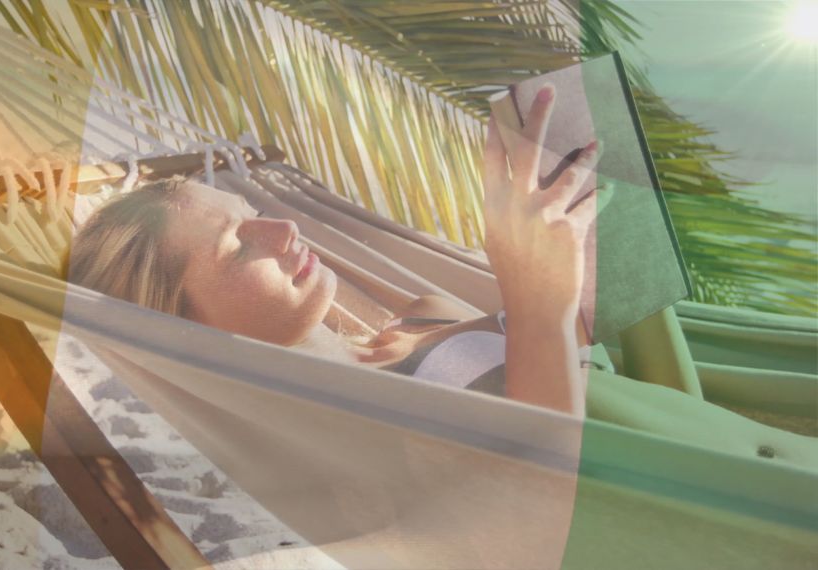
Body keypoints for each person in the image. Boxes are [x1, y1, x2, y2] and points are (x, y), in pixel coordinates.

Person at [64, 84, 606, 416]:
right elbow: (554, 501)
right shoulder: (350, 426)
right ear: (185, 332)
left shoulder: (417, 316)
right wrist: (536, 302)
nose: (283, 231)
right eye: (235, 247)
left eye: (252, 214)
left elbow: (597, 357)